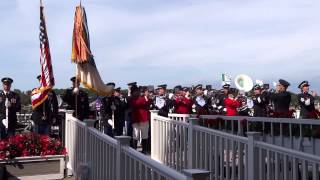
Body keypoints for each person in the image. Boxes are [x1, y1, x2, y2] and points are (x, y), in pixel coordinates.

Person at [130, 86, 152, 153]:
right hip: (136, 120)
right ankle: (134, 150)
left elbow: (148, 104)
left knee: (145, 135)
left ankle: (144, 150)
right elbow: (136, 104)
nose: (138, 93)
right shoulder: (132, 98)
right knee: (135, 135)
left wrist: (147, 97)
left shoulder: (144, 98)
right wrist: (144, 98)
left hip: (144, 119)